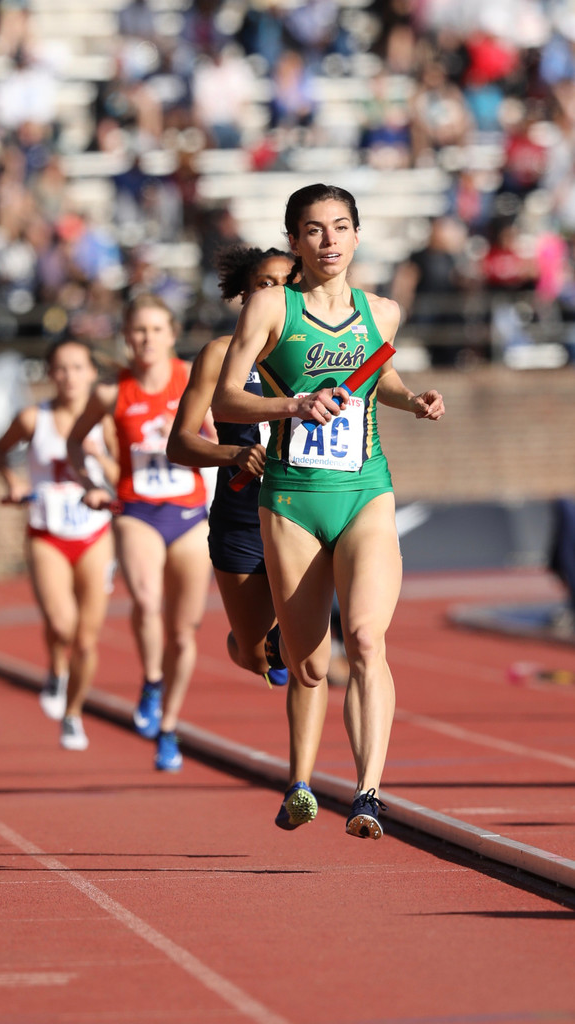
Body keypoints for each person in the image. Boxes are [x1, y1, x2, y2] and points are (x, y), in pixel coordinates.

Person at [212, 183, 445, 839]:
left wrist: (411, 400)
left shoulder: (384, 313)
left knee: (368, 638)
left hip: (365, 490)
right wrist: (291, 406)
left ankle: (368, 794)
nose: (330, 241)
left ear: (358, 235)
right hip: (290, 498)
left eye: (341, 227)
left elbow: (377, 378)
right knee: (312, 664)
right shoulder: (270, 306)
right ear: (294, 240)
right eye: (314, 230)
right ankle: (297, 758)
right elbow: (229, 400)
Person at [67, 294, 212, 772]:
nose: (146, 339)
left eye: (156, 329)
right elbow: (75, 443)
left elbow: (219, 434)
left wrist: (201, 440)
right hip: (137, 510)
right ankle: (151, 680)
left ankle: (169, 728)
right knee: (147, 601)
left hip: (189, 513)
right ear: (126, 337)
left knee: (184, 632)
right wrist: (91, 483)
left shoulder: (192, 376)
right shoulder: (112, 393)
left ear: (172, 334)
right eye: (138, 330)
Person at [166, 245, 294, 688]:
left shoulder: (316, 352)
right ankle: (246, 644)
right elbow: (179, 444)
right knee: (257, 657)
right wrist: (233, 454)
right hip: (241, 515)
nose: (278, 292)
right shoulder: (220, 355)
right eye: (265, 284)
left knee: (302, 653)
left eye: (288, 282)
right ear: (245, 295)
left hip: (302, 507)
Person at [0, 339, 117, 751]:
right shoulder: (33, 418)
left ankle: (73, 712)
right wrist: (13, 481)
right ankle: (56, 668)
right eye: (61, 368)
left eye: (78, 367)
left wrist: (101, 459)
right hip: (47, 532)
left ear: (91, 373)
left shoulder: (106, 422)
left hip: (94, 532)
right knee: (62, 624)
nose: (69, 376)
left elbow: (123, 474)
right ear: (50, 374)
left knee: (86, 637)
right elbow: (0, 450)